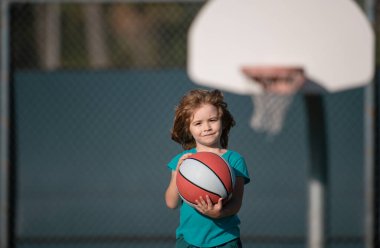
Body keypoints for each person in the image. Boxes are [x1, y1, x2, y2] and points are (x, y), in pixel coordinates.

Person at [165, 89, 250, 248]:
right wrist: (179, 171)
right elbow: (171, 203)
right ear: (188, 128)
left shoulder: (234, 160)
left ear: (223, 121)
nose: (207, 127)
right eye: (198, 123)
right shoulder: (183, 161)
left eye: (212, 119)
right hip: (188, 240)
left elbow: (236, 202)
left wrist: (219, 213)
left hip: (225, 239)